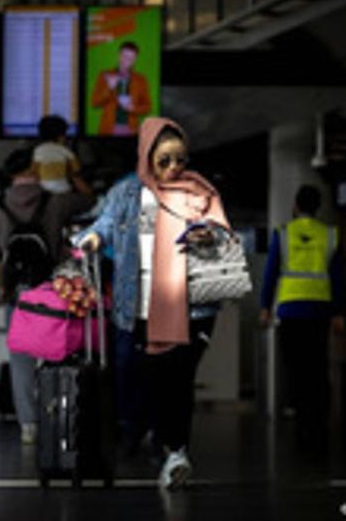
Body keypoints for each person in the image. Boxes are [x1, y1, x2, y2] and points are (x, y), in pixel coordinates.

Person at [75, 117, 229, 491]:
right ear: (146, 157)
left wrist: (209, 238)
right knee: (148, 377)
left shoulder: (199, 192)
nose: (175, 168)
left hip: (191, 308)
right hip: (143, 306)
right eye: (164, 161)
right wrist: (91, 238)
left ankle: (175, 452)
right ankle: (160, 440)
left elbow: (224, 239)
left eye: (180, 159)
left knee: (176, 379)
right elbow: (105, 224)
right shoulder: (127, 193)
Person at [0, 148, 95, 444]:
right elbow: (91, 200)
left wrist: (5, 288)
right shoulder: (56, 200)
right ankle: (57, 415)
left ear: (10, 175)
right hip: (53, 291)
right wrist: (71, 174)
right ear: (37, 168)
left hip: (18, 294)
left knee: (20, 359)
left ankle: (28, 425)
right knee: (59, 353)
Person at [259, 185, 345, 440]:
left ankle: (302, 417)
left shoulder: (283, 233)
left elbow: (271, 272)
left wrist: (265, 306)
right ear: (317, 207)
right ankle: (318, 418)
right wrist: (339, 312)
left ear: (296, 205)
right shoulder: (330, 235)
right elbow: (338, 278)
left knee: (295, 366)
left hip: (291, 309)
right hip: (320, 309)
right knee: (318, 365)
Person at [90, 41, 152, 136]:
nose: (127, 61)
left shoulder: (140, 80)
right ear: (119, 55)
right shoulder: (105, 75)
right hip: (108, 129)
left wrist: (134, 108)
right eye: (125, 56)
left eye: (131, 58)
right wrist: (109, 88)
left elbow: (147, 107)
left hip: (131, 130)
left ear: (135, 59)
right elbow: (94, 102)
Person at [33, 115, 92, 196]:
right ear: (61, 136)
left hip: (43, 196)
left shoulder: (37, 151)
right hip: (63, 194)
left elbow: (35, 174)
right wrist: (92, 195)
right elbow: (77, 178)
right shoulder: (66, 152)